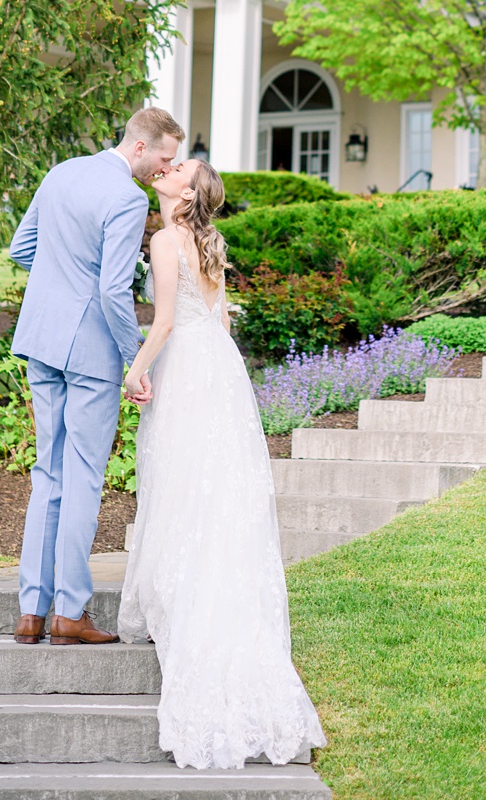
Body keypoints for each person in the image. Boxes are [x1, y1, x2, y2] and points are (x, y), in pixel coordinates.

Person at [118, 158, 326, 770]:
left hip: (187, 365)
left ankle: (185, 601)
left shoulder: (163, 238)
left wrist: (135, 369)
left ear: (185, 194)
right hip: (221, 368)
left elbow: (162, 321)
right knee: (214, 489)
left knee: (183, 484)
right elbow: (219, 312)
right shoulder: (209, 240)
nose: (168, 168)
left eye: (178, 167)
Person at [7, 106, 182, 646]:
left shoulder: (61, 172)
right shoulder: (127, 198)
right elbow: (110, 291)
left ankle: (31, 612)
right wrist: (137, 358)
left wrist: (61, 283)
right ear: (139, 146)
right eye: (164, 157)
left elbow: (21, 249)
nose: (165, 169)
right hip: (89, 353)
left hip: (40, 338)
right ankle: (70, 614)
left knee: (47, 474)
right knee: (81, 475)